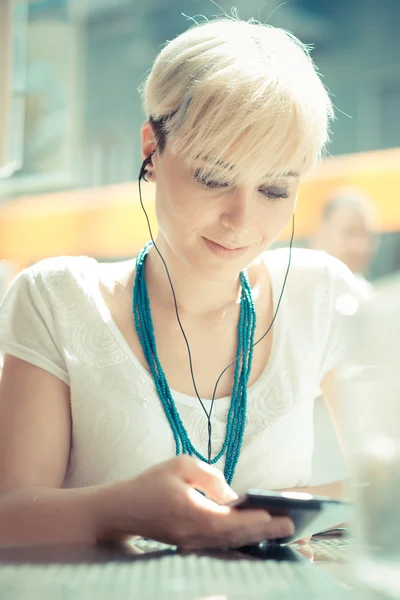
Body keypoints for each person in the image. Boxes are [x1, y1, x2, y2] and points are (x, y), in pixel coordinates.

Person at [0, 17, 365, 550]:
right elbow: (8, 517)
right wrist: (125, 509)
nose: (241, 221)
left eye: (273, 189)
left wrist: (266, 515)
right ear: (152, 148)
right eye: (214, 178)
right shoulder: (57, 299)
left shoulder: (321, 294)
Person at [311, 187, 378, 277]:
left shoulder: (362, 288)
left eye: (366, 235)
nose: (359, 246)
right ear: (322, 232)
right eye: (350, 233)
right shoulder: (297, 281)